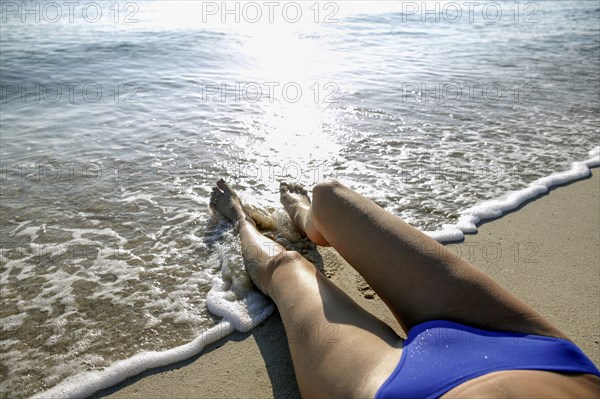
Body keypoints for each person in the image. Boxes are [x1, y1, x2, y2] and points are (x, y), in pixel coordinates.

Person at [209, 179, 600, 398]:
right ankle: (308, 218)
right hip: (541, 354)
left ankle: (240, 219)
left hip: (396, 389)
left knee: (288, 269)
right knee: (331, 197)